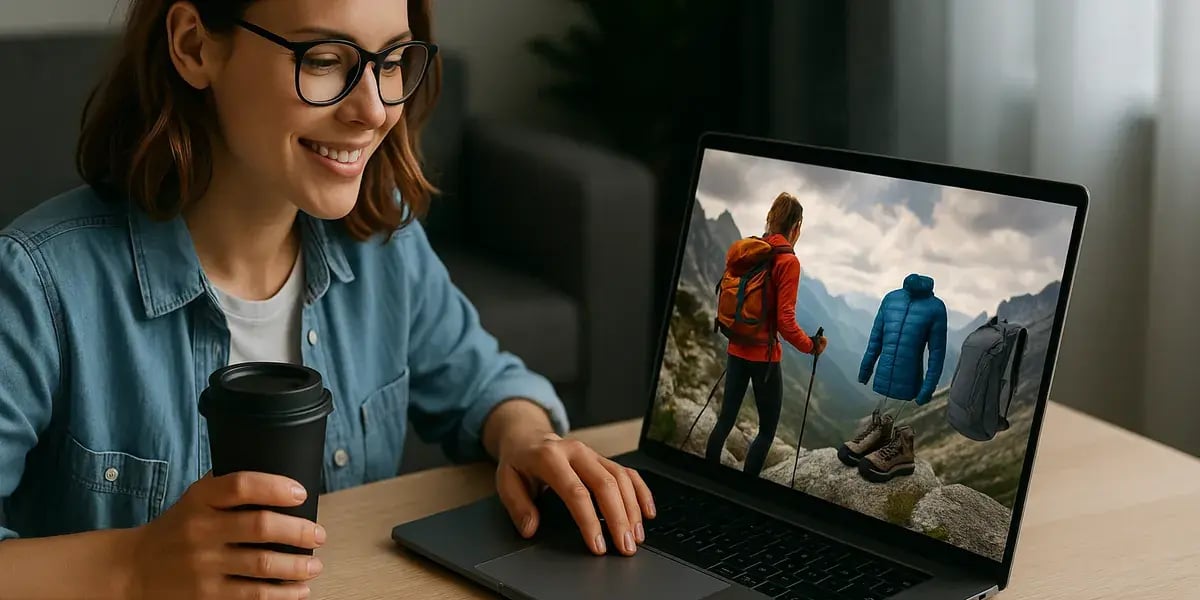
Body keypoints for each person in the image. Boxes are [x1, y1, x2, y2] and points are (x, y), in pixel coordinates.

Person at [0, 1, 654, 598]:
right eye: (324, 60)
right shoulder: (37, 286)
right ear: (196, 47)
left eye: (393, 60)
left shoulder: (382, 241)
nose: (373, 109)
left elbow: (481, 381)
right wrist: (136, 565)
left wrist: (527, 436)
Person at [704, 192, 828, 477]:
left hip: (736, 347)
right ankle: (746, 492)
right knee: (766, 431)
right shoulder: (789, 262)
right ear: (796, 226)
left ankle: (706, 478)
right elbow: (785, 321)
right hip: (765, 358)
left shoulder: (751, 250)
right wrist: (811, 346)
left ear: (771, 219)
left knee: (724, 420)